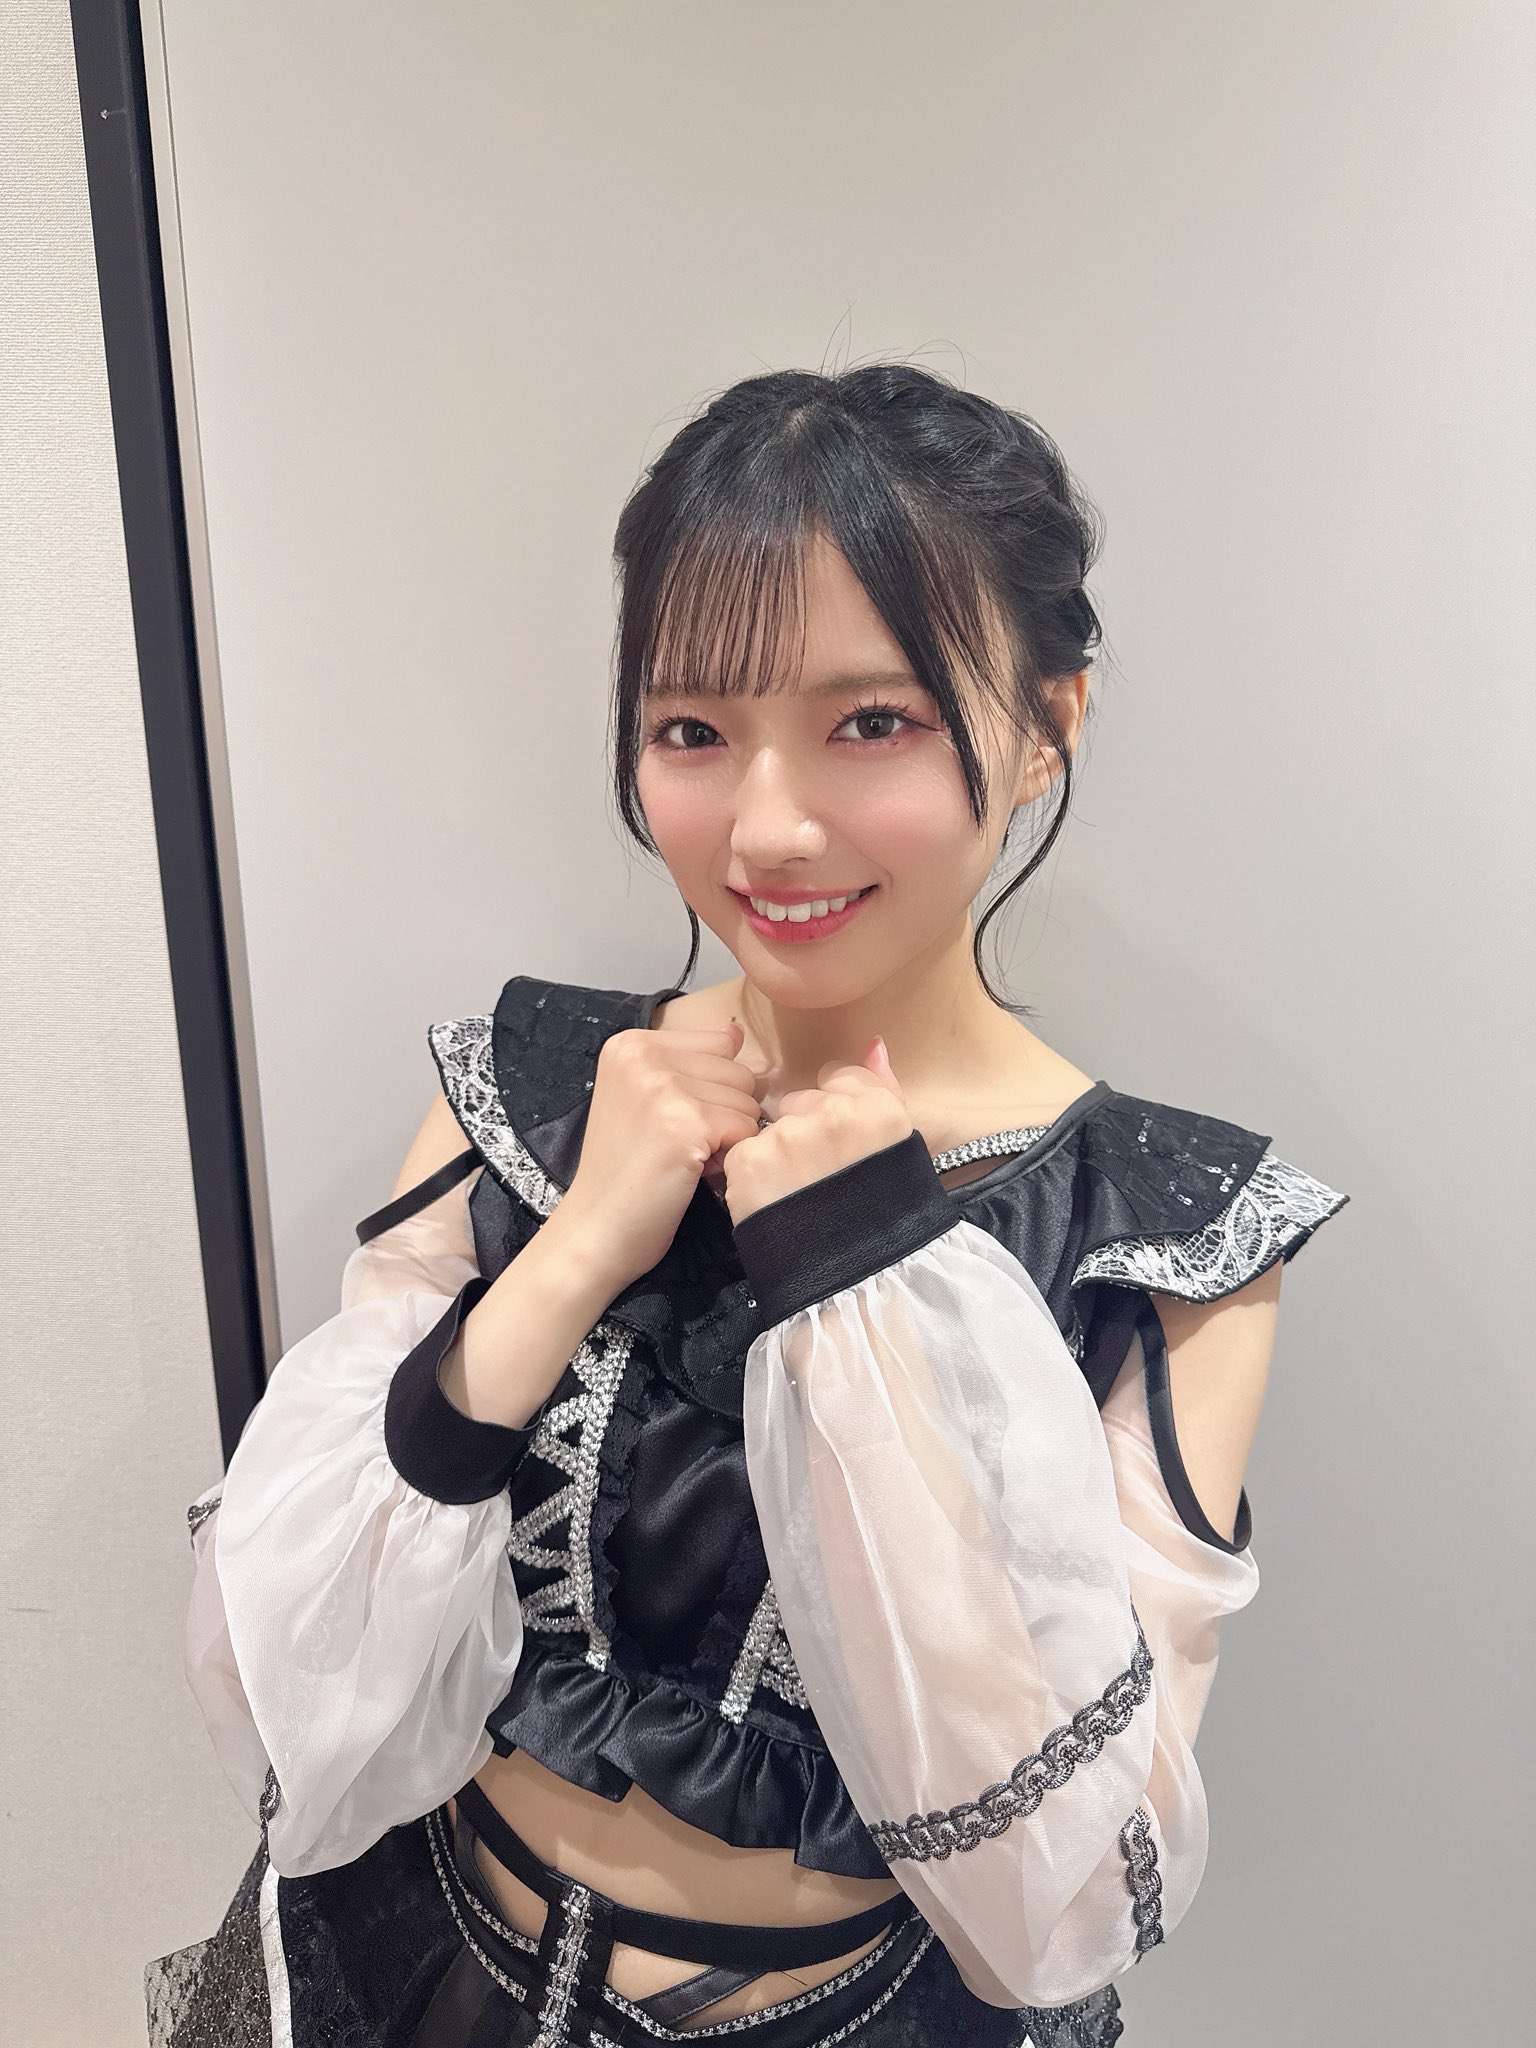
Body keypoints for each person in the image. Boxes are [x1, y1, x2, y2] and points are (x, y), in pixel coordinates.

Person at [147, 364, 1350, 2048]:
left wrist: (859, 1266)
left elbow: (1061, 1898)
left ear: (1046, 723)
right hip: (412, 1976)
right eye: (692, 732)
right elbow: (284, 1684)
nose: (769, 827)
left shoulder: (1163, 1235)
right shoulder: (529, 1088)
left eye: (873, 722)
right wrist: (577, 1247)